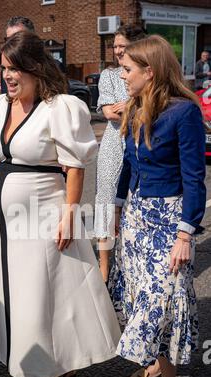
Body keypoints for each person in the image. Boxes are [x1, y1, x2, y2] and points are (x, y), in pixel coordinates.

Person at [0, 31, 121, 377]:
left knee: (40, 290)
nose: (8, 77)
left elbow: (75, 166)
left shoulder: (59, 107)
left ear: (35, 68)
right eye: (3, 70)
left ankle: (55, 362)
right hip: (3, 217)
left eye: (14, 69)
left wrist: (69, 215)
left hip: (44, 213)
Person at [109, 35, 206, 377]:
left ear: (150, 71)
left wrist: (186, 234)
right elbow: (128, 167)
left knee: (162, 304)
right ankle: (155, 364)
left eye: (128, 69)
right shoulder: (134, 107)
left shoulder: (184, 112)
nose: (122, 74)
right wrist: (113, 211)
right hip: (135, 219)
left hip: (169, 222)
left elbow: (195, 179)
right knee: (138, 299)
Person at [94, 24, 146, 284]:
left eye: (122, 46)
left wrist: (128, 105)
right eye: (114, 46)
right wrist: (131, 105)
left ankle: (129, 267)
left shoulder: (146, 73)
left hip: (138, 141)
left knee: (131, 206)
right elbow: (109, 113)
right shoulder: (109, 75)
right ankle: (103, 268)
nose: (116, 51)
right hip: (114, 146)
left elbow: (148, 107)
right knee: (105, 203)